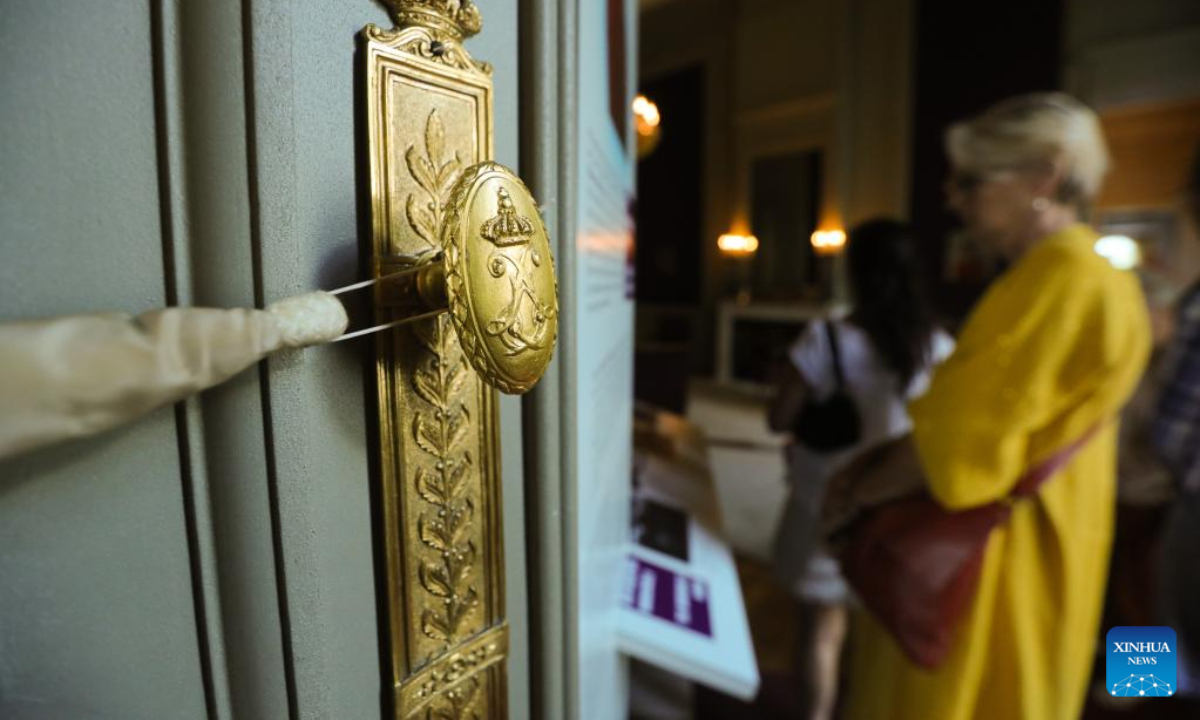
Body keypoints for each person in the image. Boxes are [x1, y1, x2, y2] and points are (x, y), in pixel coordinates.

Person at [835, 93, 1151, 720]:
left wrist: (854, 496)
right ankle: (1141, 692)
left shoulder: (1062, 278)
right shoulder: (1086, 276)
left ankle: (1148, 695)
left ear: (1045, 177)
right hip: (1075, 514)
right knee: (1132, 618)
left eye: (972, 181)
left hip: (1001, 561)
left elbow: (955, 446)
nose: (954, 198)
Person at [768, 218, 954, 720]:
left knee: (821, 629)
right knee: (885, 634)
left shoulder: (827, 337)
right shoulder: (938, 346)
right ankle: (1143, 687)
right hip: (899, 508)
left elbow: (777, 416)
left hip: (828, 506)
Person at [1153, 151, 1200, 693]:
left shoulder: (1192, 311)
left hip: (1181, 506)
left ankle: (1139, 691)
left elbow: (1171, 433)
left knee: (1148, 605)